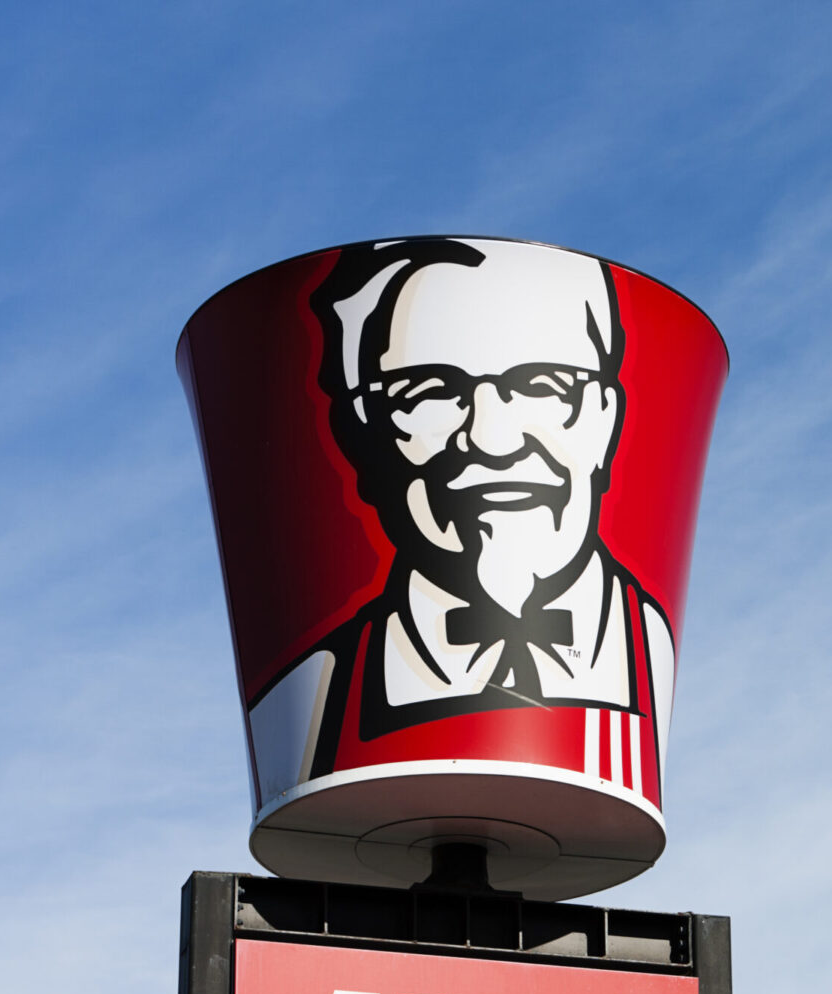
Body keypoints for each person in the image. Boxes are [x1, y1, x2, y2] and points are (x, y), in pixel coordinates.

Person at [244, 238, 675, 810]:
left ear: (603, 420)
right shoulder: (304, 703)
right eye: (431, 392)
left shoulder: (655, 654)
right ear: (366, 437)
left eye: (544, 386)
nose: (494, 440)